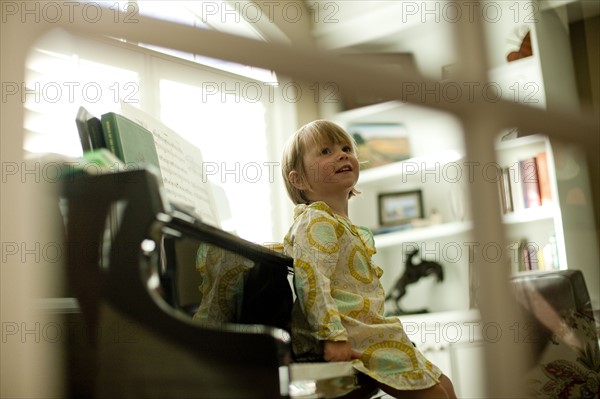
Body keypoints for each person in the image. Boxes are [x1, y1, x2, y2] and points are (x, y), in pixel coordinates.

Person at [281, 120, 457, 398]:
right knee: (436, 395)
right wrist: (333, 336)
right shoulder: (316, 222)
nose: (342, 154)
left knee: (445, 386)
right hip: (347, 332)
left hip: (369, 330)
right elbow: (312, 282)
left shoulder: (341, 225)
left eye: (346, 148)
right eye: (325, 151)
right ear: (299, 180)